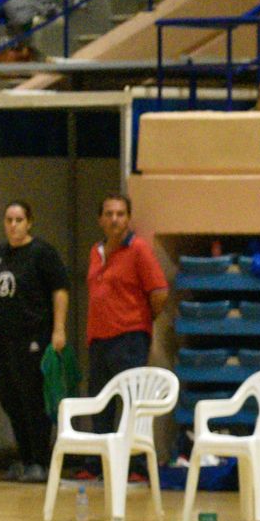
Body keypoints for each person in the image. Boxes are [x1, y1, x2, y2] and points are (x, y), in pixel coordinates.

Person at [0, 200, 69, 483]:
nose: (13, 225)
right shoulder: (0, 253)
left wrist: (59, 330)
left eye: (18, 220)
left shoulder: (42, 253)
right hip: (1, 338)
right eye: (8, 220)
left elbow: (60, 291)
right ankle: (25, 460)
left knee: (32, 400)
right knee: (10, 399)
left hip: (32, 337)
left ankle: (41, 461)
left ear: (29, 222)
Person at [84, 194, 167, 467]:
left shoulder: (139, 249)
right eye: (109, 214)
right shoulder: (96, 251)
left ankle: (135, 467)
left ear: (128, 218)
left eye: (120, 214)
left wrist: (140, 320)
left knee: (132, 405)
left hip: (129, 338)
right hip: (98, 339)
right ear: (100, 219)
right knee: (100, 404)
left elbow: (159, 292)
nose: (114, 219)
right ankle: (104, 465)